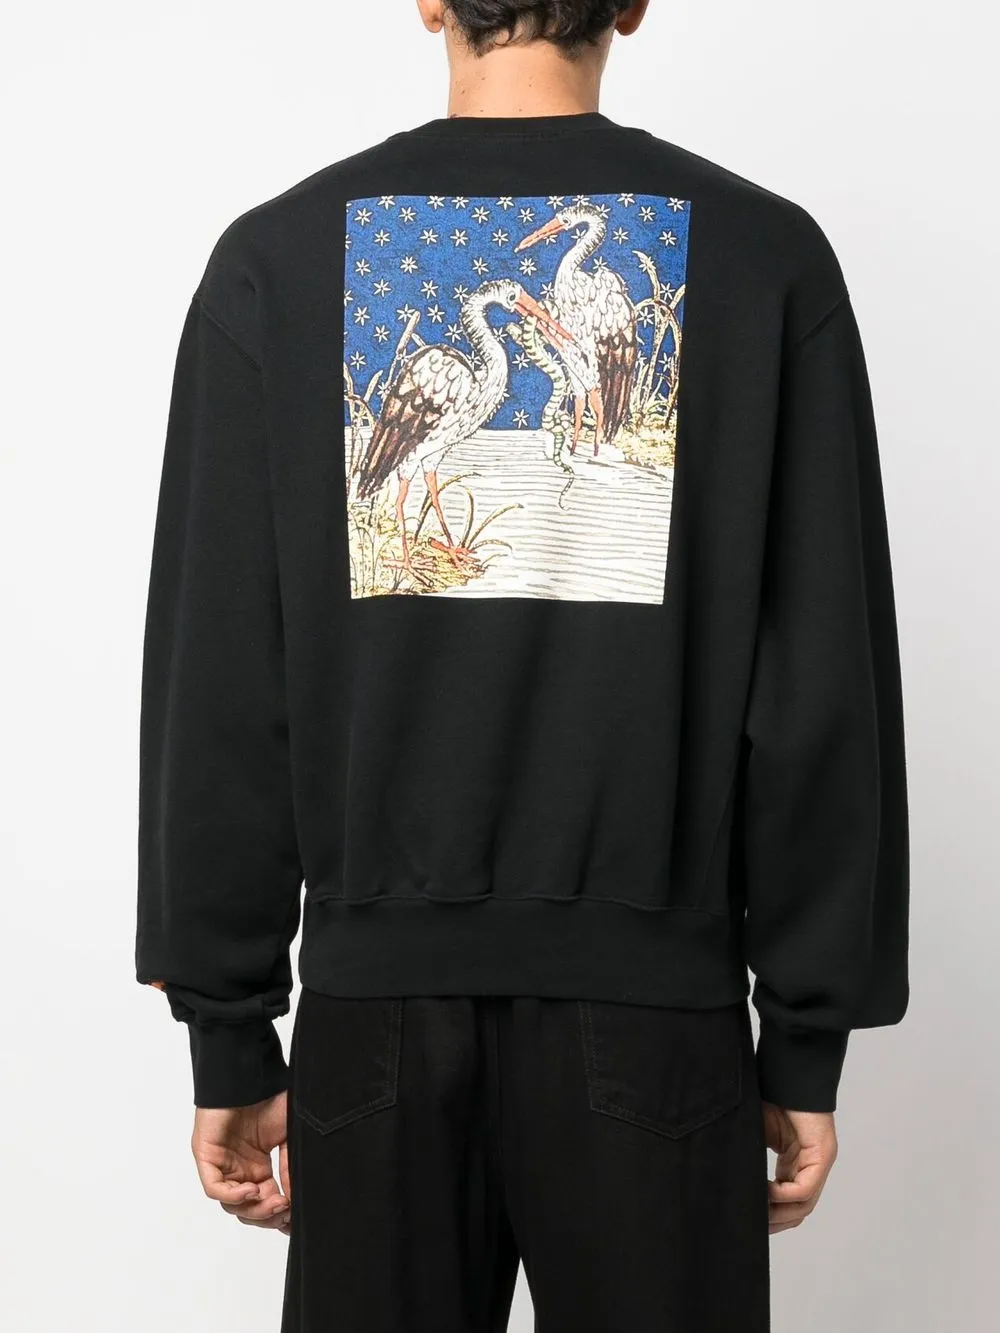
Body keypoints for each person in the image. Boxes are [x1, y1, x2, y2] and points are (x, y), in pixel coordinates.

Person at [135, 1, 910, 1328]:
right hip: (658, 1029)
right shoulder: (766, 257)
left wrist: (229, 1026)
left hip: (372, 1031)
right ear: (633, 3)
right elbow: (822, 688)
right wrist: (804, 1038)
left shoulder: (274, 260)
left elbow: (221, 677)